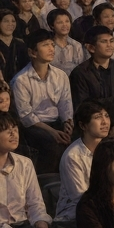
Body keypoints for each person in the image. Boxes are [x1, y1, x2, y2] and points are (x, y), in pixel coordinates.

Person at [12, 27, 73, 172]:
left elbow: (66, 103)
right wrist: (52, 132)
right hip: (36, 126)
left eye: (52, 44)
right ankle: (49, 184)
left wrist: (68, 123)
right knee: (52, 143)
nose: (51, 48)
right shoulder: (21, 80)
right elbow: (26, 116)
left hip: (57, 121)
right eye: (45, 45)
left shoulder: (60, 75)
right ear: (32, 52)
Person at [57, 100, 112, 222]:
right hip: (74, 214)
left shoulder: (108, 149)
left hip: (105, 206)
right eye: (98, 117)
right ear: (83, 126)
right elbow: (81, 197)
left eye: (106, 116)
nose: (105, 122)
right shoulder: (73, 156)